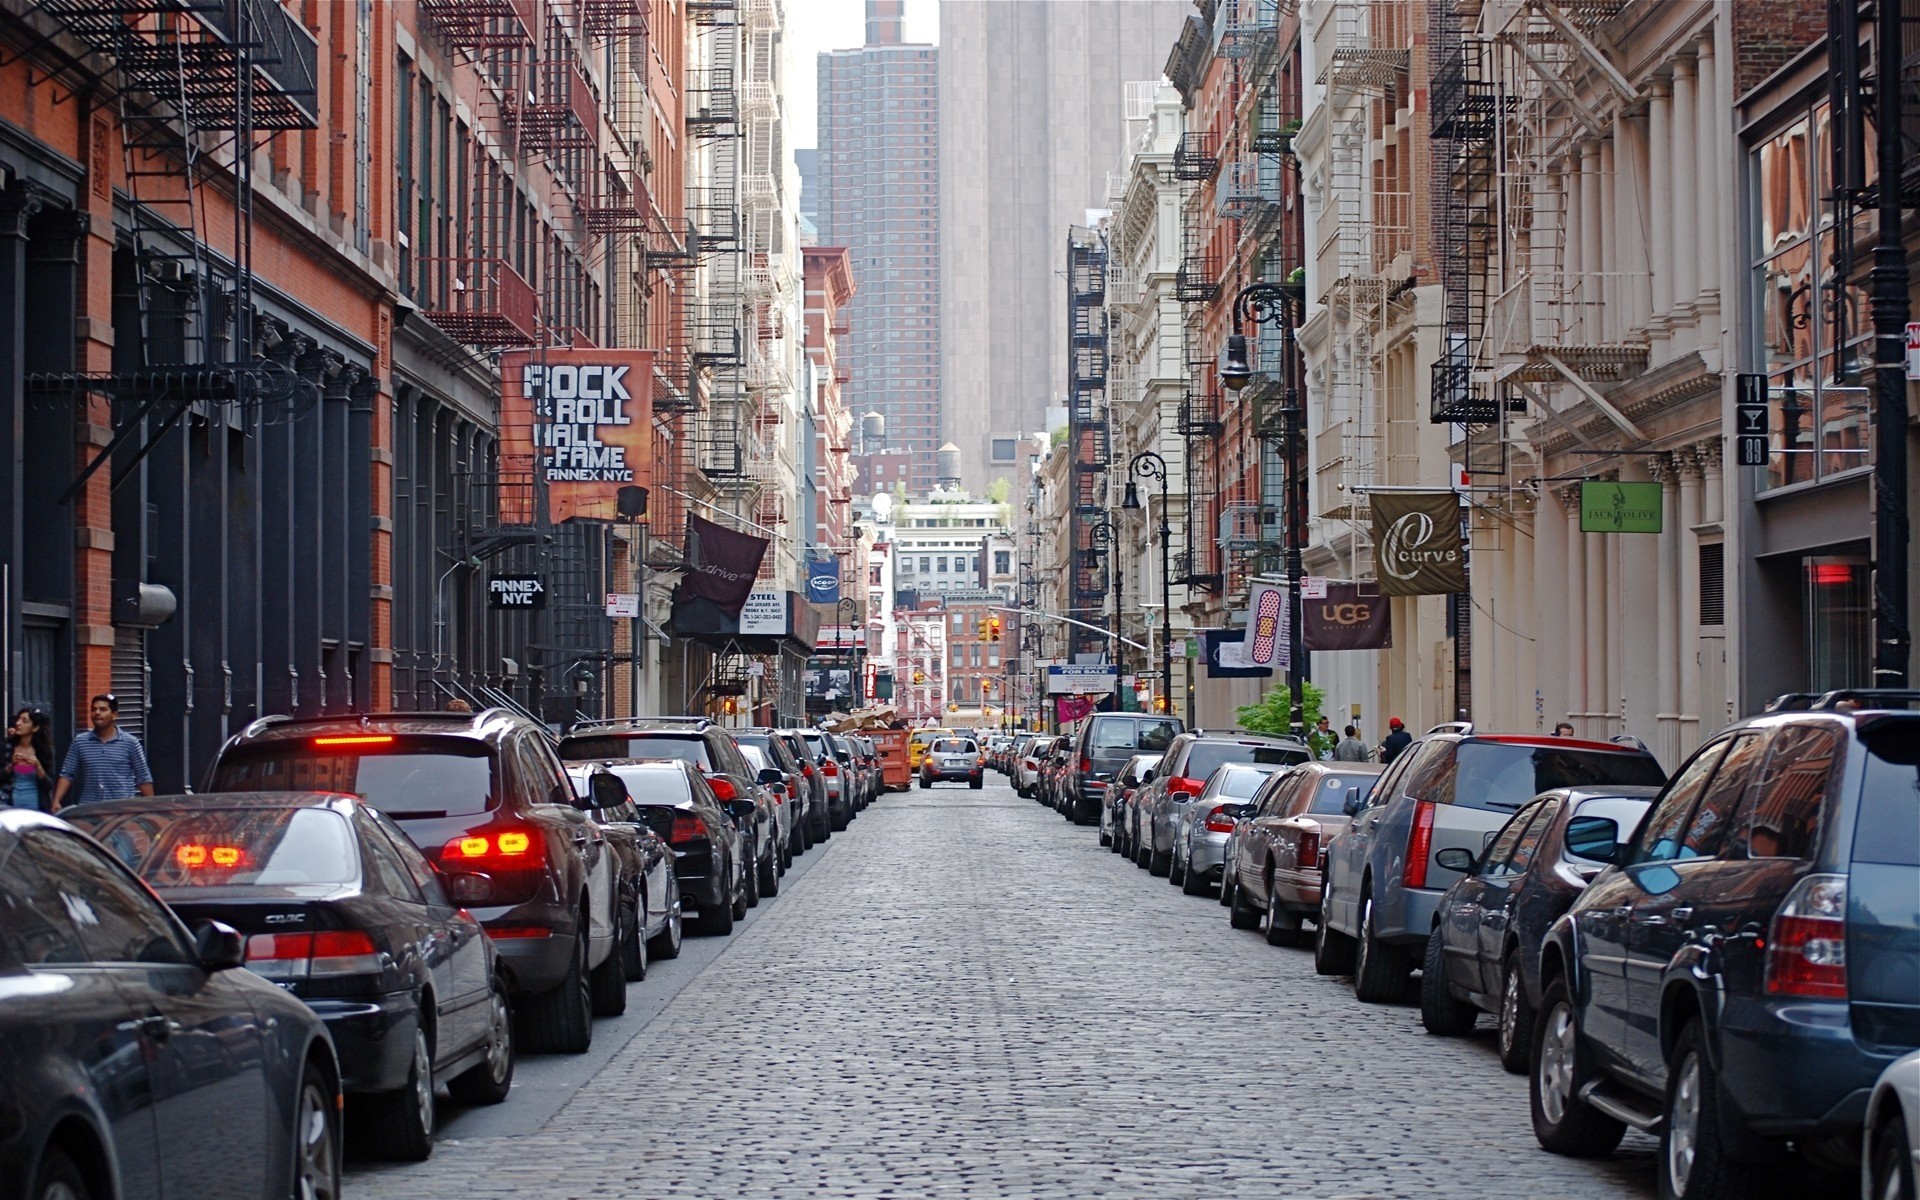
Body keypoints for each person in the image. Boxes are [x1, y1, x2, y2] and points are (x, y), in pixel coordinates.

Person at [51, 694, 153, 812]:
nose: (97, 712)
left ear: (114, 715)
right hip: (89, 809)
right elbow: (67, 773)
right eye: (94, 709)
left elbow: (143, 777)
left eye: (103, 709)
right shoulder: (80, 742)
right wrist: (56, 800)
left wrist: (151, 809)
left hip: (121, 809)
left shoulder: (130, 743)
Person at [7, 707, 54, 811]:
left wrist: (38, 766)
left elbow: (48, 786)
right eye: (18, 719)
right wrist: (11, 765)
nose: (18, 723)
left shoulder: (43, 751)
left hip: (36, 807)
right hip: (11, 806)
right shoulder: (9, 747)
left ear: (35, 727)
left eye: (24, 721)